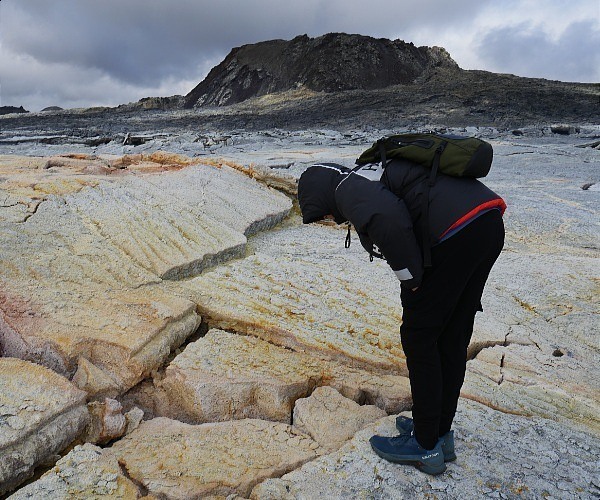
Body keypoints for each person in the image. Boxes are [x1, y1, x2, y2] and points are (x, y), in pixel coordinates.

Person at [297, 157, 505, 475]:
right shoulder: (363, 180)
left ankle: (424, 446)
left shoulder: (347, 191)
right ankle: (438, 432)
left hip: (459, 233)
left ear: (320, 193)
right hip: (485, 224)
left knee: (420, 337)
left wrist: (412, 280)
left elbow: (391, 220)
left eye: (323, 212)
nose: (330, 218)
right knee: (450, 336)